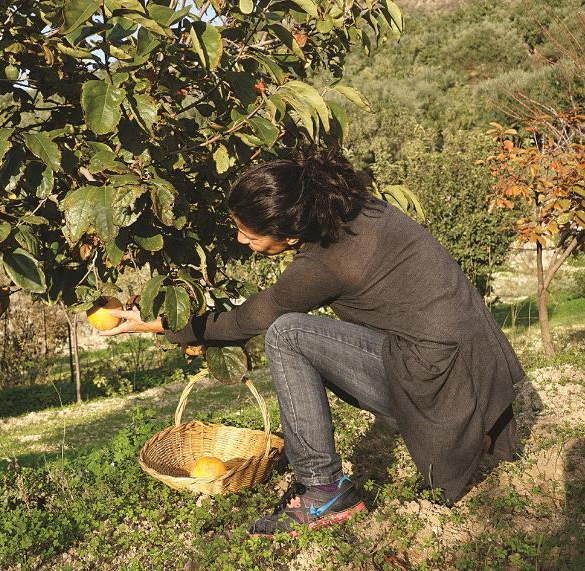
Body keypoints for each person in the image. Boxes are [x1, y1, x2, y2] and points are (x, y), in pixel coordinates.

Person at [99, 146, 523, 538]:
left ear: (286, 231)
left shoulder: (325, 263)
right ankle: (471, 429)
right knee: (311, 331)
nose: (241, 241)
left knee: (287, 334)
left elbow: (247, 320)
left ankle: (323, 491)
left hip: (437, 372)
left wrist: (157, 325)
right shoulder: (353, 209)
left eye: (248, 233)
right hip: (476, 360)